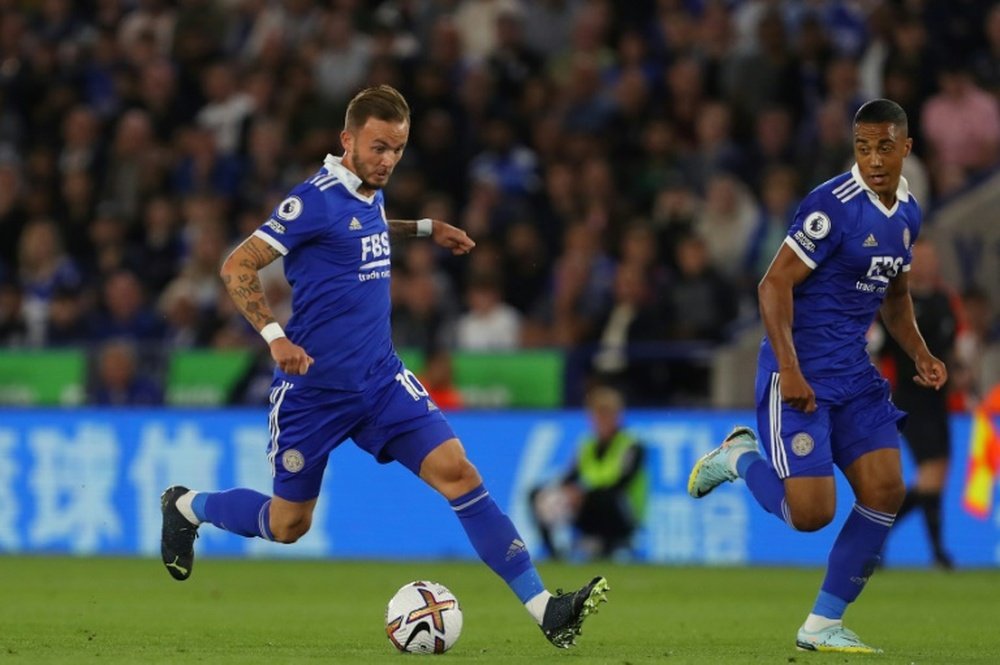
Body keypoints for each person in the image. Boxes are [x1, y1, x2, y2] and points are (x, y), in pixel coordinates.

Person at [158, 85, 607, 649]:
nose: (389, 159)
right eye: (378, 147)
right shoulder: (312, 200)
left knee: (460, 473)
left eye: (397, 148)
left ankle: (546, 608)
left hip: (380, 379)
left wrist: (424, 228)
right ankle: (185, 505)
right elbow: (237, 265)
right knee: (288, 525)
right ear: (347, 140)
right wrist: (274, 337)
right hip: (312, 391)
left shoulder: (367, 190)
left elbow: (362, 228)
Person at [687, 99, 947, 654]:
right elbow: (772, 285)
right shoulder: (832, 205)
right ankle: (739, 456)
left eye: (883, 146)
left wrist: (920, 352)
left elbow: (894, 296)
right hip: (802, 372)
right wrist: (789, 367)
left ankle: (822, 623)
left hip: (854, 372)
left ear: (906, 147)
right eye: (862, 147)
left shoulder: (908, 214)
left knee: (885, 488)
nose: (873, 159)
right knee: (811, 515)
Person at [878, 240, 957, 568]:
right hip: (911, 397)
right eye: (920, 258)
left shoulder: (943, 301)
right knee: (929, 472)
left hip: (939, 398)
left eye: (931, 258)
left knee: (937, 473)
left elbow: (953, 347)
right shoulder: (896, 302)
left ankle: (880, 538)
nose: (927, 265)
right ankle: (937, 554)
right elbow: (879, 349)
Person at [530, 386, 647, 560]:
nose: (602, 420)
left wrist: (583, 493)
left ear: (617, 416)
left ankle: (610, 544)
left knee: (605, 498)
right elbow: (570, 476)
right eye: (598, 415)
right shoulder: (587, 445)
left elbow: (623, 483)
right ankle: (554, 553)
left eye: (606, 414)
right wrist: (563, 491)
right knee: (538, 494)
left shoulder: (631, 445)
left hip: (622, 511)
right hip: (589, 506)